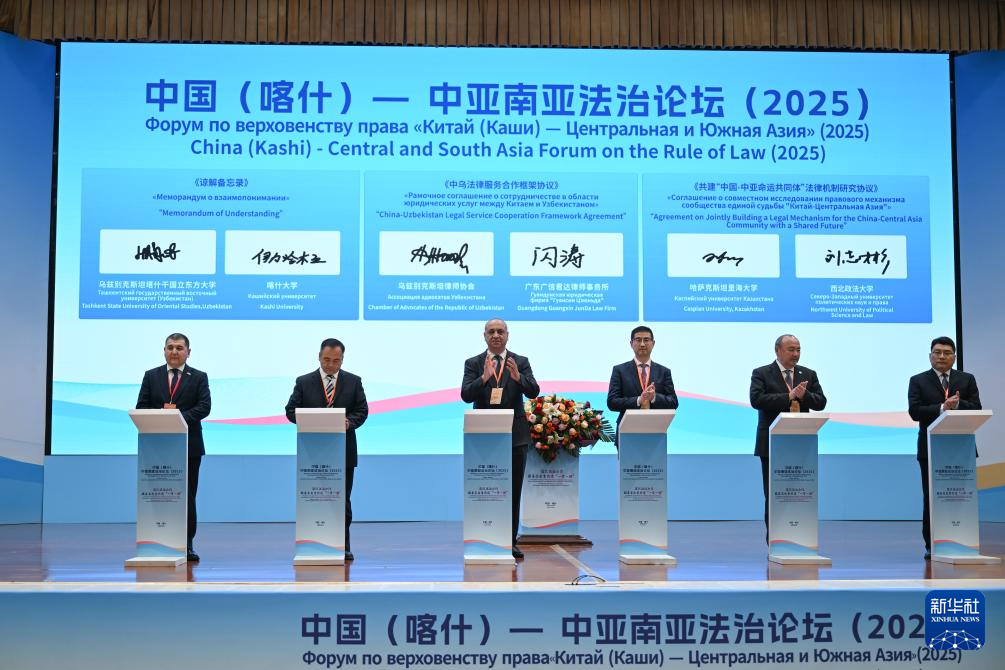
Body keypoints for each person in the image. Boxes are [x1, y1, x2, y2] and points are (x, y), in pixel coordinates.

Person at [461, 318, 540, 560]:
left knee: (513, 491)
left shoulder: (520, 361)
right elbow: (466, 395)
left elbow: (534, 391)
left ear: (507, 335)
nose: (496, 335)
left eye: (500, 331)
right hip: (483, 438)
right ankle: (483, 536)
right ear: (484, 335)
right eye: (491, 332)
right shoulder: (473, 363)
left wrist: (518, 378)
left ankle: (509, 541)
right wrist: (483, 378)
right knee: (484, 490)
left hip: (515, 436)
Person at [286, 338, 369, 561]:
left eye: (336, 361)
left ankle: (343, 546)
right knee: (314, 501)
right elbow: (290, 411)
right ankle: (311, 545)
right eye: (326, 360)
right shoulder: (304, 382)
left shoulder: (353, 381)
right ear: (319, 357)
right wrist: (312, 419)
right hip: (312, 453)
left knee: (342, 501)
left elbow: (362, 411)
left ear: (342, 359)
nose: (330, 365)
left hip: (344, 452)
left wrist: (348, 422)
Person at [136, 333, 212, 562]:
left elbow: (204, 407)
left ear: (188, 352)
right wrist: (163, 417)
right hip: (157, 447)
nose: (174, 351)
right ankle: (155, 541)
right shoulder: (151, 376)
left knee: (187, 497)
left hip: (190, 447)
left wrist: (177, 418)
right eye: (170, 347)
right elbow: (142, 406)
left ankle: (187, 544)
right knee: (158, 496)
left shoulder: (198, 377)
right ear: (164, 351)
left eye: (179, 347)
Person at [908, 336, 981, 559]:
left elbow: (977, 407)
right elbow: (915, 412)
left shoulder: (966, 379)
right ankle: (932, 544)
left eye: (947, 353)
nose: (942, 356)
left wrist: (957, 405)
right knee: (931, 497)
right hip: (930, 448)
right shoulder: (918, 380)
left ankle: (964, 540)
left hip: (961, 449)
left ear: (954, 357)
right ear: (930, 356)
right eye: (937, 352)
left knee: (962, 496)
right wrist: (941, 407)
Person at [749, 334, 827, 539]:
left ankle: (800, 537)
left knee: (801, 493)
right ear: (777, 351)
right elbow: (757, 400)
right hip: (771, 444)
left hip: (801, 444)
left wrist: (804, 395)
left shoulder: (808, 374)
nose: (796, 354)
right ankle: (775, 540)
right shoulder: (761, 373)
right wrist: (788, 397)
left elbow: (821, 402)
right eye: (791, 349)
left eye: (798, 349)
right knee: (774, 494)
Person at [607, 325, 679, 437]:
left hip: (656, 431)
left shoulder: (664, 372)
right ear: (631, 343)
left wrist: (654, 397)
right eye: (638, 340)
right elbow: (612, 402)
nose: (642, 344)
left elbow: (674, 402)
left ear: (653, 343)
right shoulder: (619, 370)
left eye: (646, 340)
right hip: (626, 432)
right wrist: (639, 400)